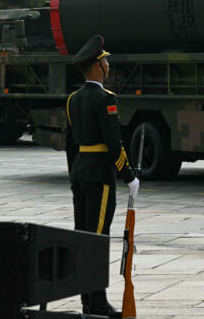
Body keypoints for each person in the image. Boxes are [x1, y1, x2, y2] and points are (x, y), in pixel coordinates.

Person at [65, 35, 140, 319]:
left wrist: (75, 175)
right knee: (97, 240)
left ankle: (89, 301)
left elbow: (72, 144)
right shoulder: (104, 99)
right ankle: (96, 304)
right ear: (97, 67)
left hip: (81, 174)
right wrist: (129, 175)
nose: (108, 64)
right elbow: (113, 143)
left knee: (84, 236)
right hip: (99, 176)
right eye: (105, 60)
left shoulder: (73, 99)